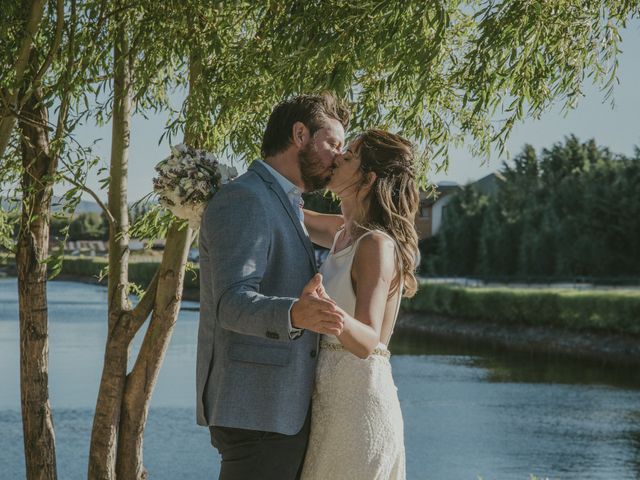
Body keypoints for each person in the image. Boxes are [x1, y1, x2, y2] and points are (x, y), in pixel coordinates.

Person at [196, 92, 349, 480]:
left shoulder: (284, 200)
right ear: (300, 134)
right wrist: (295, 314)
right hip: (257, 410)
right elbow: (230, 303)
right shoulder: (245, 199)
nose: (338, 157)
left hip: (277, 409)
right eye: (333, 143)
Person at [300, 129, 420, 480]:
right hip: (331, 406)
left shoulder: (376, 246)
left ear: (367, 179)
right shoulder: (343, 231)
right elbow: (293, 214)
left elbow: (368, 341)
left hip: (359, 407)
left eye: (349, 155)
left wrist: (328, 312)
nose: (337, 157)